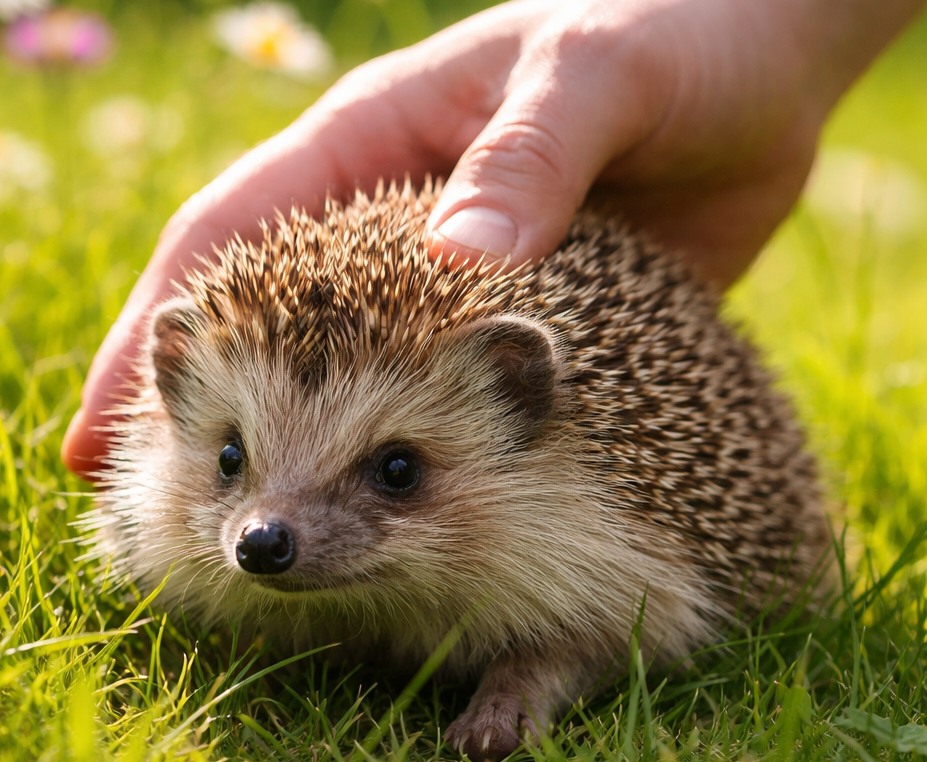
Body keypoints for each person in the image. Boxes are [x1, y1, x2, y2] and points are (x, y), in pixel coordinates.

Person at [62, 0, 925, 478]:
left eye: (395, 473)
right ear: (173, 381)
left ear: (517, 411)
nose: (268, 530)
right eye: (230, 460)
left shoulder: (569, 527)